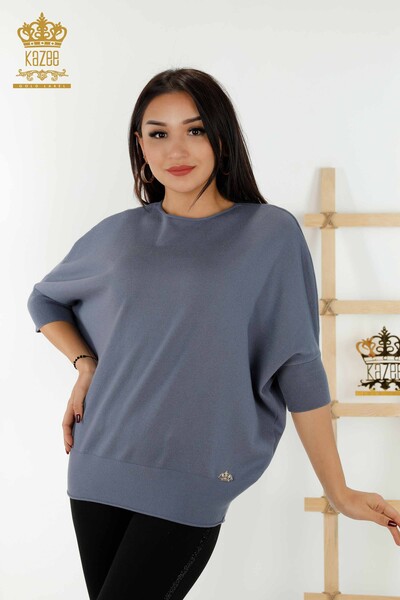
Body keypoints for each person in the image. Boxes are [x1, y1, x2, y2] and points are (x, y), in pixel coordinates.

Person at [27, 68, 400, 599]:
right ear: (140, 145)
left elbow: (297, 364)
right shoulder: (119, 234)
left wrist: (337, 491)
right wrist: (85, 364)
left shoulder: (269, 233)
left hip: (194, 474)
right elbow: (45, 299)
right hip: (98, 464)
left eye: (195, 130)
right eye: (158, 133)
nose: (176, 149)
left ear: (222, 138)